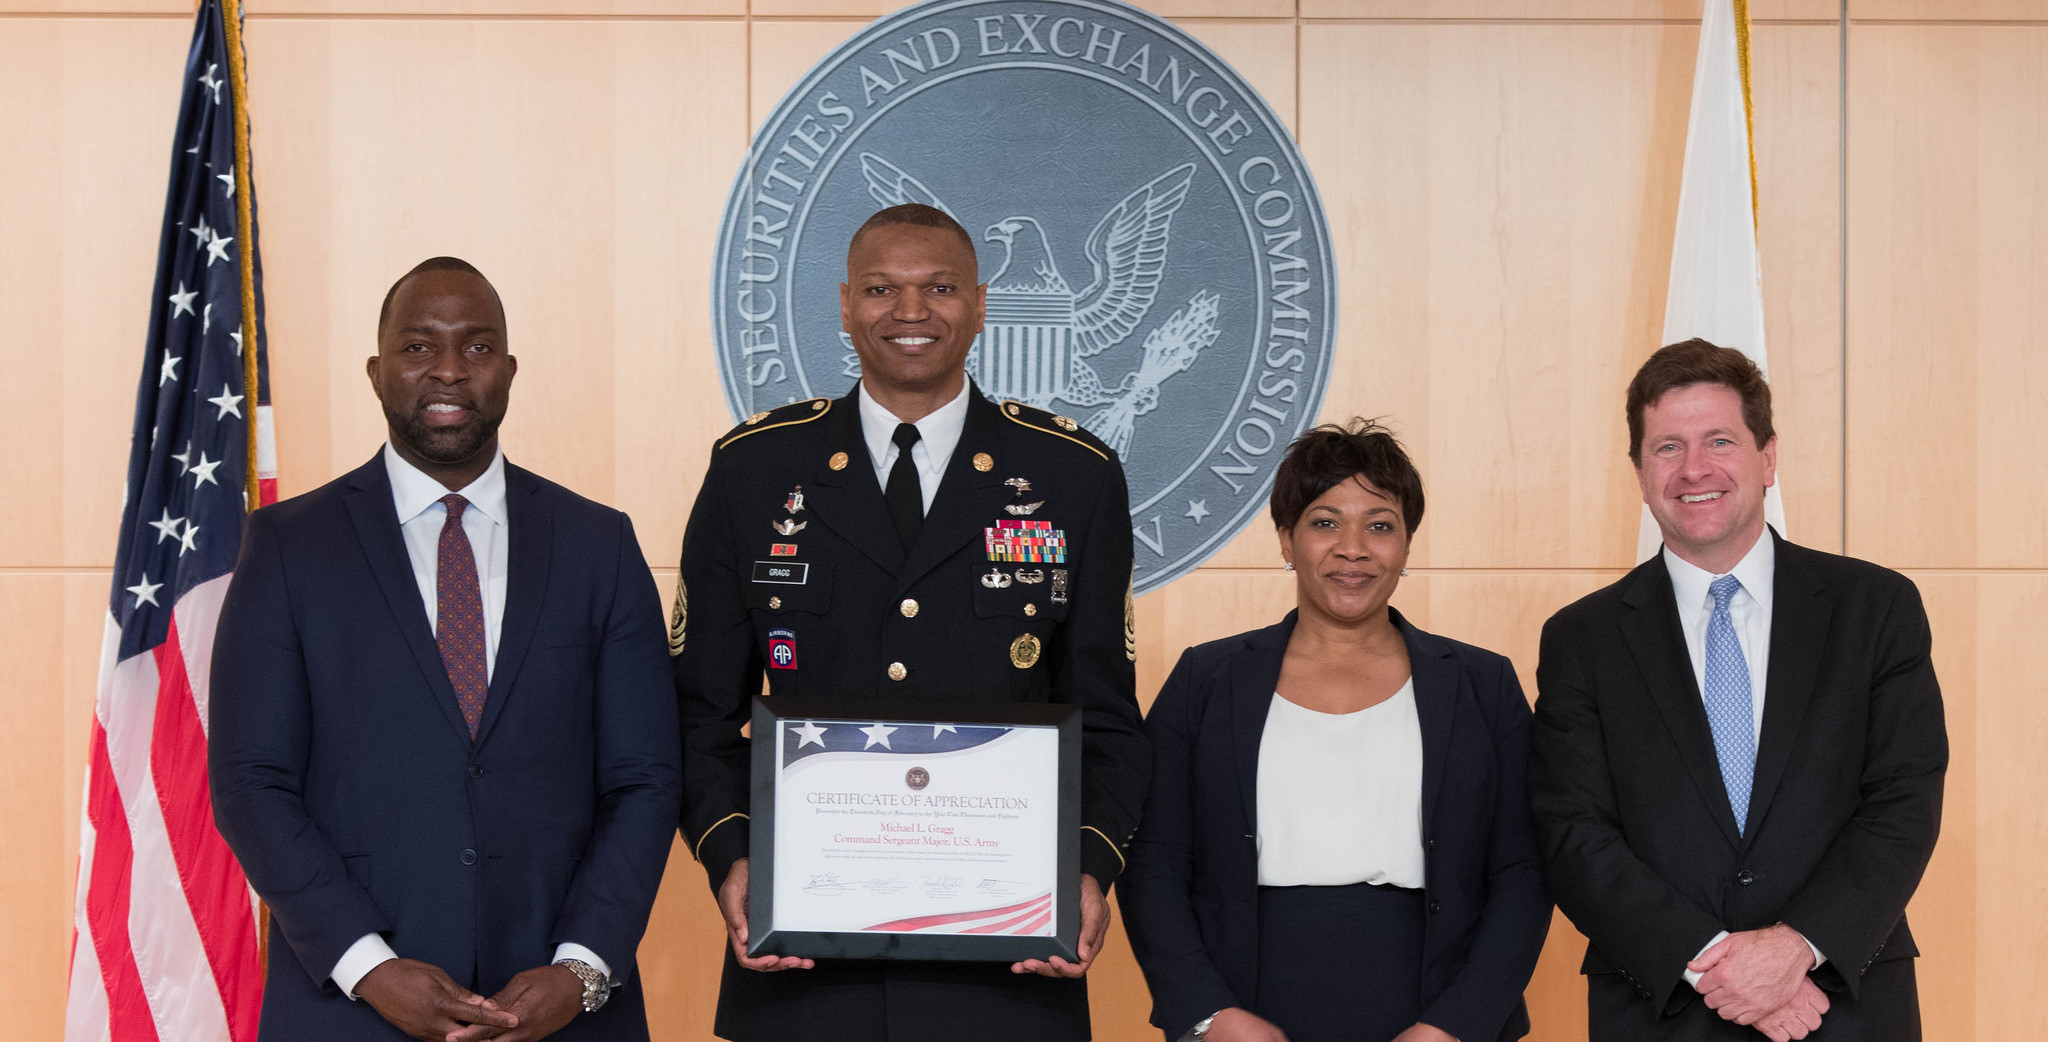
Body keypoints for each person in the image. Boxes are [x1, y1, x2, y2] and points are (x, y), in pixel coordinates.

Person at [671, 203, 1149, 1041]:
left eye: (940, 288)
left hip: (1005, 974)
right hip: (802, 976)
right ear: (846, 303)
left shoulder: (1072, 475)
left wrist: (1088, 867)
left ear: (982, 304)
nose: (911, 312)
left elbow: (1107, 714)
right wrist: (733, 858)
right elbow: (698, 710)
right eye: (883, 288)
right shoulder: (753, 470)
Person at [209, 257, 681, 1042]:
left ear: (510, 370)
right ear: (376, 370)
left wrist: (583, 967)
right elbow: (249, 780)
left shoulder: (599, 544)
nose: (450, 370)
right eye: (419, 346)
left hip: (563, 1014)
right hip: (350, 1011)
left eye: (478, 346)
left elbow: (645, 779)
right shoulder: (290, 547)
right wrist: (369, 965)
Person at [1529, 339, 1947, 1041]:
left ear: (1768, 456)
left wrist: (1794, 950)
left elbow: (1904, 800)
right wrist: (1716, 966)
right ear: (1638, 470)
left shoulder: (1875, 608)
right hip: (1663, 1005)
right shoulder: (1582, 639)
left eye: (1719, 440)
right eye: (1667, 447)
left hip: (1843, 999)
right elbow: (1573, 834)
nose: (1694, 469)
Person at [1119, 419, 1550, 1042]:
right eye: (1325, 522)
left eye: (1380, 525)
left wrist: (1457, 1026)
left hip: (1437, 1012)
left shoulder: (1483, 686)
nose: (1354, 547)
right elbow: (1155, 862)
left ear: (1406, 545)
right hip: (1248, 1010)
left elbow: (1524, 871)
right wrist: (1208, 1013)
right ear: (1286, 540)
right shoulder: (1206, 680)